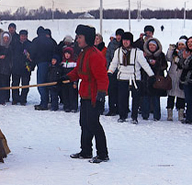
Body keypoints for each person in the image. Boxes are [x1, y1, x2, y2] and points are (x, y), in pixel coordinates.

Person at [64, 25, 109, 163]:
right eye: (77, 36)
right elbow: (78, 71)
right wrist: (66, 78)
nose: (77, 39)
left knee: (93, 124)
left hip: (94, 95)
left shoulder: (95, 55)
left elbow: (102, 77)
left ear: (87, 39)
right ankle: (86, 151)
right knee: (84, 123)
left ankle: (102, 154)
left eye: (80, 37)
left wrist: (101, 94)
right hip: (84, 93)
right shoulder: (83, 53)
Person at [108, 32, 154, 124]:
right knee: (122, 98)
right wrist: (110, 72)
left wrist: (151, 75)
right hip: (122, 77)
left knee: (136, 99)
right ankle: (122, 115)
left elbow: (144, 64)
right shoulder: (118, 51)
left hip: (134, 78)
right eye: (124, 40)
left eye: (127, 40)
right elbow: (114, 63)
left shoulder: (137, 52)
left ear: (131, 41)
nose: (125, 42)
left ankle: (134, 116)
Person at [141, 38, 167, 121]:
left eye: (153, 45)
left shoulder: (161, 55)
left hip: (157, 80)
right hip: (146, 80)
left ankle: (157, 116)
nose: (151, 47)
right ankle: (145, 115)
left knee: (156, 99)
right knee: (145, 98)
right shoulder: (143, 55)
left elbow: (165, 66)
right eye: (150, 45)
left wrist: (156, 64)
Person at [32, 26, 57, 110]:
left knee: (41, 84)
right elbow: (56, 51)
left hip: (41, 64)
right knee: (49, 84)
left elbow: (33, 53)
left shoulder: (36, 41)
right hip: (51, 65)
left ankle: (44, 103)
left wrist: (32, 63)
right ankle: (50, 102)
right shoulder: (51, 41)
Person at [166, 39, 187, 121]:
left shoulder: (187, 53)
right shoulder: (174, 53)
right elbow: (168, 57)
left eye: (183, 44)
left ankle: (180, 114)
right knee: (170, 96)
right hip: (172, 76)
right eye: (179, 44)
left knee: (181, 96)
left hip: (182, 76)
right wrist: (171, 49)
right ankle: (169, 114)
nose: (181, 46)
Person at [11, 29, 33, 106]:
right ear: (19, 36)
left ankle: (23, 99)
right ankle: (15, 99)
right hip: (16, 67)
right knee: (15, 84)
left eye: (25, 36)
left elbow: (33, 56)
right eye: (22, 36)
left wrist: (31, 65)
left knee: (25, 84)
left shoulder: (30, 44)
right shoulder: (14, 44)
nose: (23, 37)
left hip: (26, 68)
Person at [104, 28, 124, 116]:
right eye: (117, 35)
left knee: (121, 91)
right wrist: (109, 68)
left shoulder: (124, 44)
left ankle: (121, 108)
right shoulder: (111, 44)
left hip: (122, 72)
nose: (119, 37)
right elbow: (108, 56)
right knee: (111, 91)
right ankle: (112, 109)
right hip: (112, 71)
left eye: (120, 35)